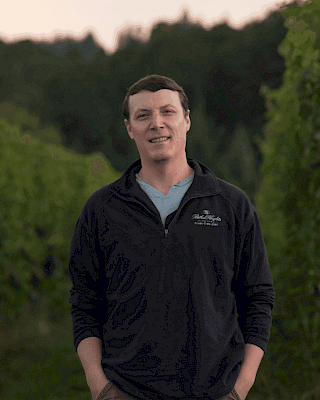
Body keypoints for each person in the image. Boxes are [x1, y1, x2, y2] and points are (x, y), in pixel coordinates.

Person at [68, 74, 275, 400]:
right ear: (129, 128)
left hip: (215, 393)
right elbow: (84, 304)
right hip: (126, 393)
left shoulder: (232, 205)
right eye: (143, 115)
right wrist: (101, 388)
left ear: (186, 120)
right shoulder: (101, 209)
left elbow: (258, 300)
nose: (156, 123)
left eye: (167, 112)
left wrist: (239, 389)